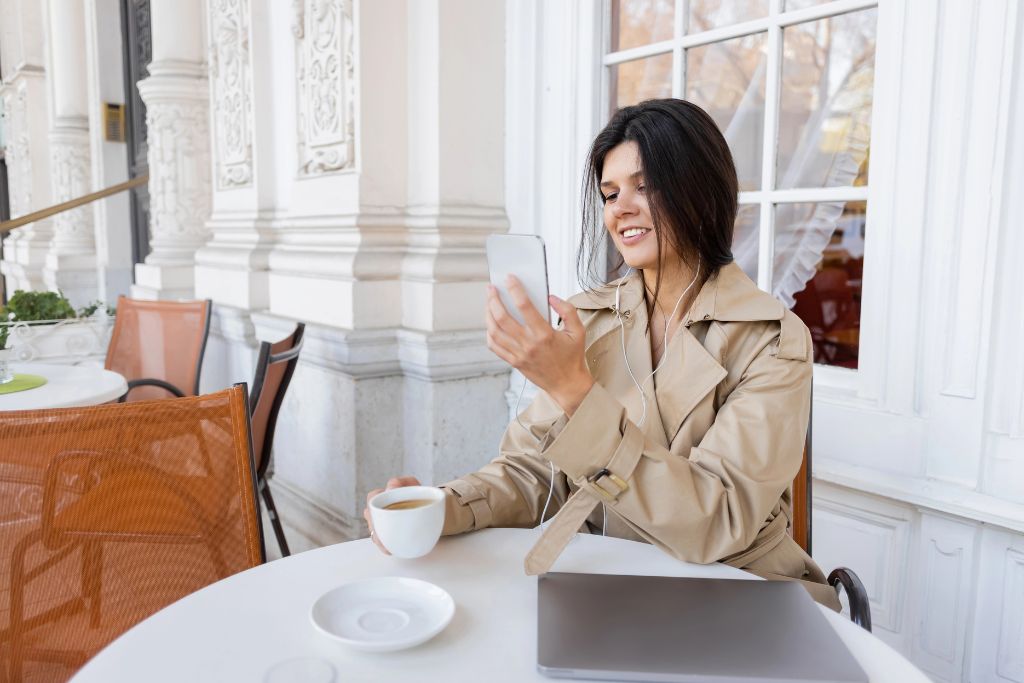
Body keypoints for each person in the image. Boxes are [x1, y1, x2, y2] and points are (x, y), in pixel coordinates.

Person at [364, 98, 840, 610]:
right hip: (609, 581)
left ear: (702, 190)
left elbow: (716, 519)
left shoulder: (773, 339)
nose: (620, 208)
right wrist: (442, 507)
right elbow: (533, 470)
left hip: (735, 594)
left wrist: (574, 390)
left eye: (645, 186)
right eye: (610, 193)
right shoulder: (589, 319)